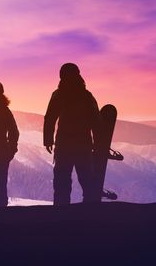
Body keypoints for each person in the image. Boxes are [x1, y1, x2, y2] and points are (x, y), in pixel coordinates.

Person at [44, 63, 100, 205]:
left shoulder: (59, 95)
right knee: (86, 178)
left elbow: (50, 117)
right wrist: (98, 142)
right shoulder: (86, 95)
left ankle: (61, 211)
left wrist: (48, 139)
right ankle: (89, 209)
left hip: (64, 143)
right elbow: (96, 120)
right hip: (83, 142)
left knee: (62, 180)